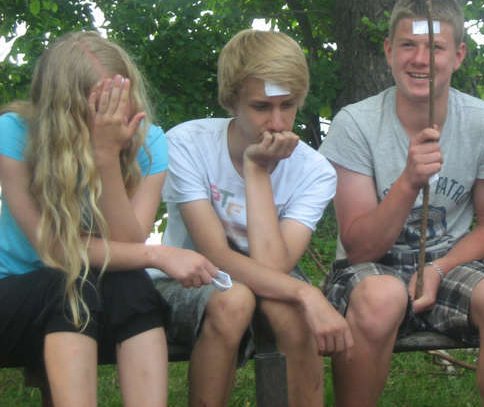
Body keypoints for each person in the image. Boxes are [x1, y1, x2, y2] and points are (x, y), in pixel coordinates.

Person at [320, 0, 484, 407]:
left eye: (435, 47)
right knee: (382, 298)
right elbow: (359, 247)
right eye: (408, 45)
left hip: (450, 262)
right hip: (372, 269)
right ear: (388, 51)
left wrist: (437, 269)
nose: (420, 59)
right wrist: (408, 182)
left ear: (458, 56)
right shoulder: (355, 124)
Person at [0, 31, 218, 407]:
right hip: (16, 292)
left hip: (93, 297)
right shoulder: (14, 133)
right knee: (69, 287)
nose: (117, 115)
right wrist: (159, 254)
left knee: (132, 285)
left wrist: (106, 158)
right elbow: (57, 250)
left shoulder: (149, 142)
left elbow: (127, 244)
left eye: (122, 98)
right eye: (104, 103)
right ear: (65, 108)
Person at [150, 29, 352, 407]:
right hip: (192, 274)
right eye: (261, 107)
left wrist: (256, 172)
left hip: (272, 266)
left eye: (287, 105)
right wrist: (307, 291)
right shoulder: (187, 144)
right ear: (231, 102)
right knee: (234, 300)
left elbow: (274, 267)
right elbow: (214, 254)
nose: (277, 123)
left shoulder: (314, 171)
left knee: (293, 315)